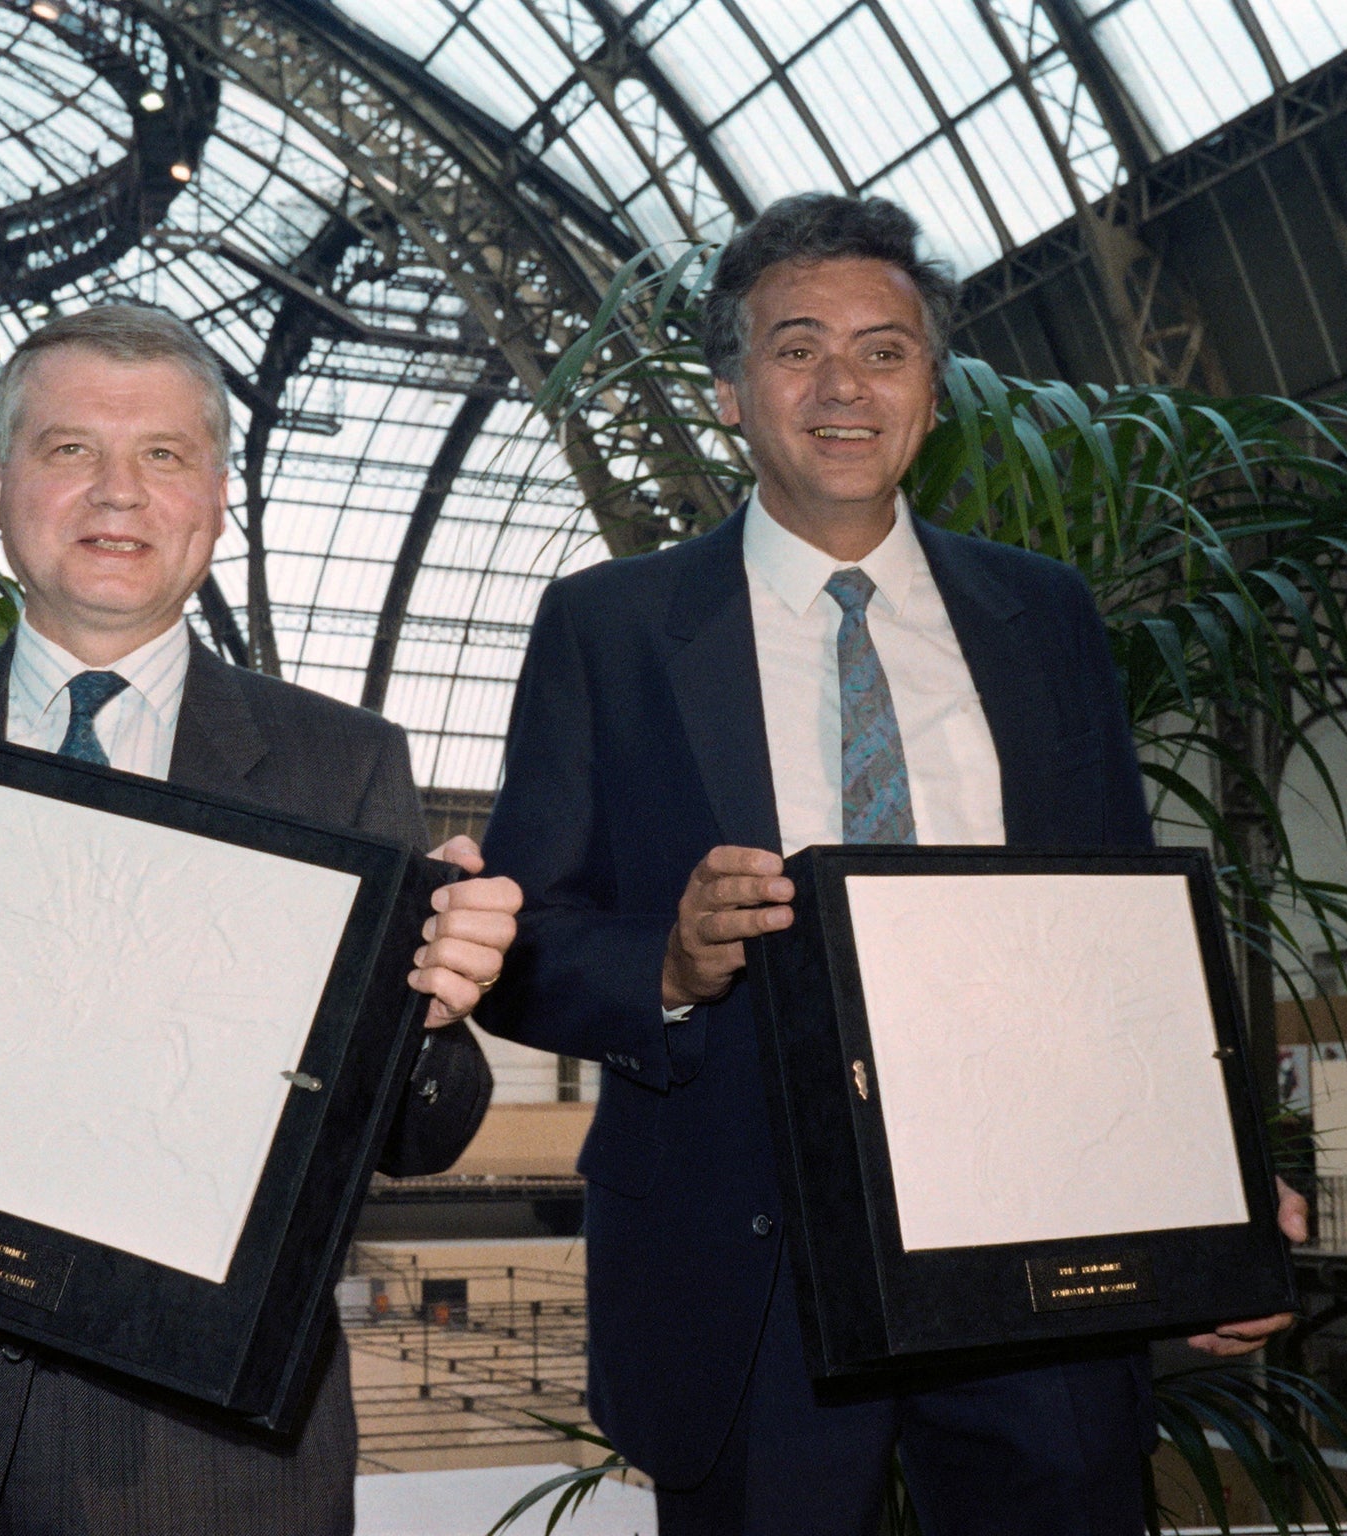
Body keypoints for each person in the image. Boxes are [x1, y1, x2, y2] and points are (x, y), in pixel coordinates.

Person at [473, 194, 1304, 1535]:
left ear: (934, 390)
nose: (843, 385)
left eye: (887, 348)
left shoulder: (1044, 619)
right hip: (751, 1275)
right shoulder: (610, 630)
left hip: (1040, 1247)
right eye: (796, 348)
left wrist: (1213, 1186)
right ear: (733, 391)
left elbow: (1124, 945)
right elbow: (517, 941)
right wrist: (671, 962)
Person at [0, 303, 520, 1536]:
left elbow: (409, 1135)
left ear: (218, 496)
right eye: (71, 450)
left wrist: (434, 1016)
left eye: (164, 456)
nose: (117, 495)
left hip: (206, 1479)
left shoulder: (336, 765)